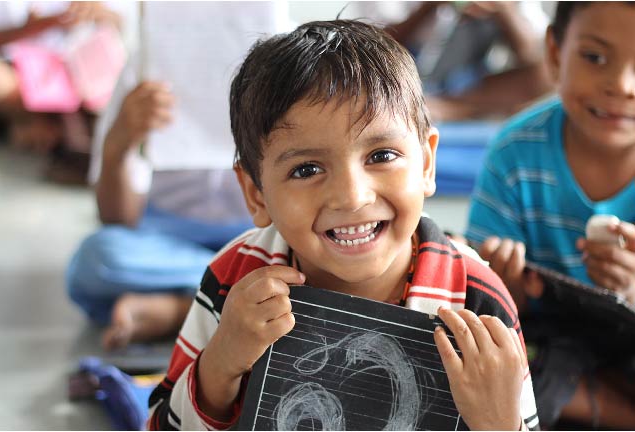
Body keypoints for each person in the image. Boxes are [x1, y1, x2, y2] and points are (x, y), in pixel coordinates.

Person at [147, 20, 539, 431]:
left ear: (425, 163)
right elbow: (160, 425)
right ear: (256, 194)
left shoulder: (476, 302)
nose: (352, 197)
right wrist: (221, 363)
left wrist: (498, 423)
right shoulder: (237, 279)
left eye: (382, 156)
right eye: (307, 169)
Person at [66, 3, 284, 350]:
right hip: (168, 237)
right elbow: (117, 218)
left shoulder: (293, 58)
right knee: (100, 257)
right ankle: (235, 292)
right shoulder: (143, 68)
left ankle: (179, 309)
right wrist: (119, 142)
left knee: (328, 259)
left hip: (266, 234)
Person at [466, 2, 635, 428]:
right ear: (556, 53)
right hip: (547, 341)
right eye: (594, 57)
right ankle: (609, 405)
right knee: (487, 369)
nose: (621, 84)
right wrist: (506, 291)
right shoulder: (514, 154)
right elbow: (477, 295)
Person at [0, 2, 123, 182]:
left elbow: (120, 24)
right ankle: (55, 130)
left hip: (69, 74)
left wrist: (99, 14)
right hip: (10, 73)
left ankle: (42, 130)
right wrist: (33, 28)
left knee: (111, 70)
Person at [383, 1, 553, 122]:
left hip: (469, 86)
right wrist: (427, 7)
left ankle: (446, 108)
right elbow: (373, 45)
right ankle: (422, 104)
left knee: (546, 74)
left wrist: (504, 10)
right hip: (405, 73)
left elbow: (531, 55)